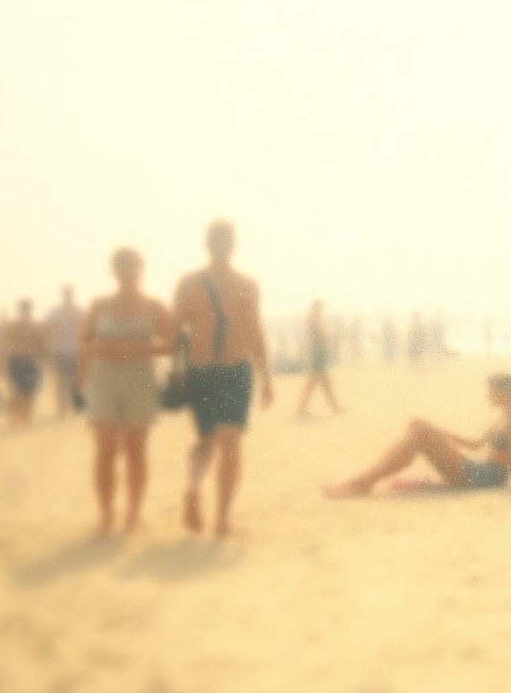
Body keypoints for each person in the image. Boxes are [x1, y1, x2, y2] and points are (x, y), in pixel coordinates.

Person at [173, 221, 274, 537]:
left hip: (200, 368)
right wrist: (266, 376)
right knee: (230, 444)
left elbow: (176, 332)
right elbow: (255, 331)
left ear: (207, 244)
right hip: (234, 368)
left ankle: (193, 484)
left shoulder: (188, 283)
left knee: (206, 440)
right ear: (233, 245)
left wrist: (177, 372)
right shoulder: (245, 284)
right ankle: (222, 521)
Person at [323, 373, 511, 497]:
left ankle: (362, 483)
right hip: (479, 471)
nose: (488, 395)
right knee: (419, 432)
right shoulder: (502, 418)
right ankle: (363, 482)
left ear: (504, 392)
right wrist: (435, 429)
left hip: (488, 479)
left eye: (491, 391)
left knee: (419, 432)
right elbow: (473, 444)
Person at [77, 248, 174, 537]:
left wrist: (140, 348)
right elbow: (82, 344)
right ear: (114, 272)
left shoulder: (153, 305)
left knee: (136, 450)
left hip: (140, 380)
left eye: (132, 268)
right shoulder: (99, 305)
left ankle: (133, 515)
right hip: (104, 379)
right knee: (105, 449)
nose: (127, 273)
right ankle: (106, 516)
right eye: (121, 268)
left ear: (141, 271)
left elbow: (171, 343)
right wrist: (96, 353)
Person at [2, 299, 47, 427]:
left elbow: (5, 342)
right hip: (29, 358)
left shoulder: (12, 325)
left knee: (16, 389)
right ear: (30, 309)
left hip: (14, 358)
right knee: (29, 391)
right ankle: (26, 418)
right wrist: (43, 359)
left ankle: (14, 418)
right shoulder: (35, 325)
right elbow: (42, 343)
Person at [296, 300, 343, 417]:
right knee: (318, 381)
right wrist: (330, 335)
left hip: (318, 350)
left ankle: (334, 407)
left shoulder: (313, 317)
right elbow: (319, 333)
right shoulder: (314, 317)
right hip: (318, 350)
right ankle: (334, 407)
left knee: (318, 381)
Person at [46, 285, 84, 417]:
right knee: (69, 379)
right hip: (68, 350)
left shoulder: (57, 312)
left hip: (67, 350)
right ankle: (68, 406)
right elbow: (49, 332)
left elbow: (49, 331)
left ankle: (65, 407)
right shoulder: (78, 311)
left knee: (65, 380)